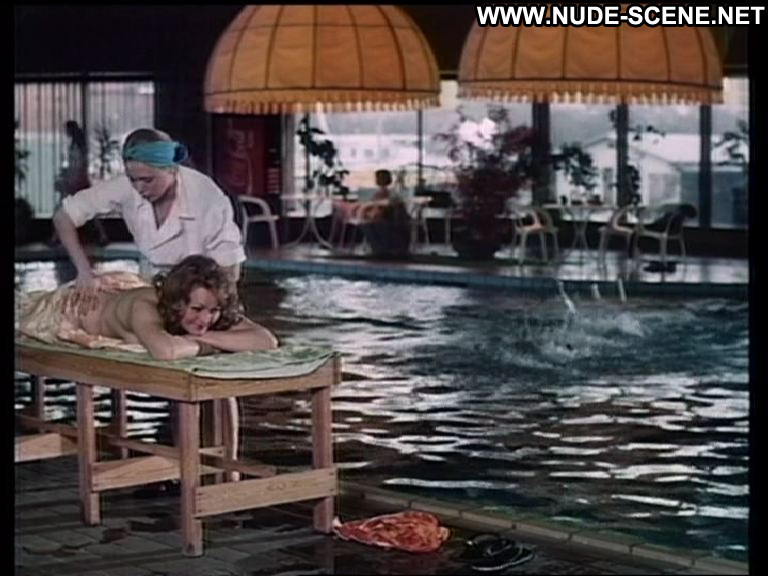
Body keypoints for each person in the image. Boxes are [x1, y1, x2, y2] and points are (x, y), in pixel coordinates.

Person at [19, 254, 278, 480]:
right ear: (177, 302)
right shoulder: (144, 306)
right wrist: (213, 345)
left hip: (119, 295)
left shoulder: (201, 311)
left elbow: (266, 340)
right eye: (197, 309)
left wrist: (204, 338)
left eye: (214, 311)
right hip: (68, 311)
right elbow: (165, 351)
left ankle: (221, 472)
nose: (205, 319)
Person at [52, 127, 246, 309]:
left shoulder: (207, 198)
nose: (139, 188)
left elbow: (229, 269)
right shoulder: (126, 186)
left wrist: (221, 310)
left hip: (200, 287)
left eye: (148, 180)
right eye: (133, 179)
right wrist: (84, 271)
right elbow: (63, 216)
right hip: (151, 280)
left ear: (171, 169)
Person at [52, 120, 108, 246]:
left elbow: (78, 165)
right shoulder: (78, 145)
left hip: (76, 182)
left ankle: (56, 237)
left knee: (64, 207)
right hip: (79, 180)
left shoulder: (76, 147)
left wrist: (70, 179)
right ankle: (102, 236)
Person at [360, 169, 411, 258]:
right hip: (385, 218)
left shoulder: (392, 194)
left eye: (380, 178)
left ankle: (383, 249)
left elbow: (392, 208)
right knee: (367, 224)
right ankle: (378, 249)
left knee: (373, 224)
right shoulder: (380, 194)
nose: (379, 180)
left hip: (394, 221)